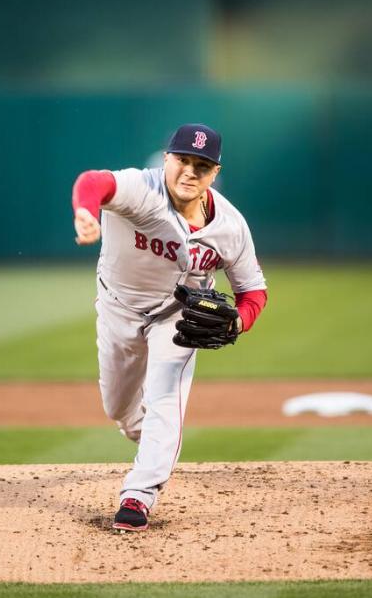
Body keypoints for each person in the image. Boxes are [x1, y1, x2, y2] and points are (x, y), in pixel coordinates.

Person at [72, 124, 267, 532]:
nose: (190, 172)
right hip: (117, 309)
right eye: (182, 160)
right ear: (166, 159)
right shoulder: (141, 190)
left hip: (177, 316)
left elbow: (254, 292)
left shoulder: (230, 226)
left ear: (215, 173)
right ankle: (157, 443)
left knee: (164, 397)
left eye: (202, 165)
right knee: (120, 410)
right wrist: (86, 212)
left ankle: (138, 496)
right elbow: (94, 182)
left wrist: (238, 321)